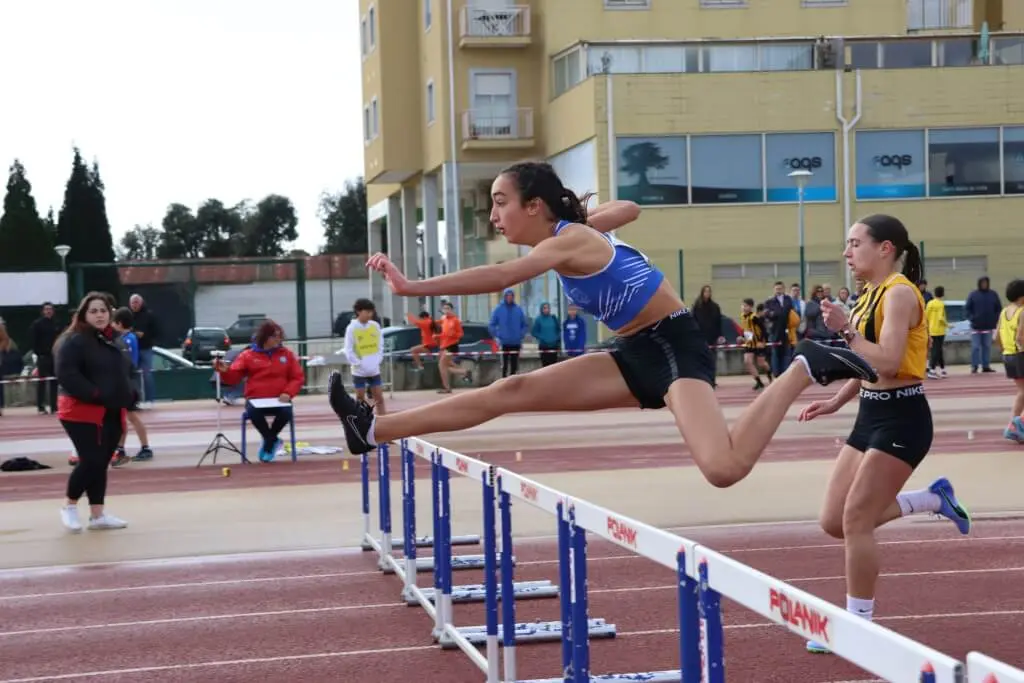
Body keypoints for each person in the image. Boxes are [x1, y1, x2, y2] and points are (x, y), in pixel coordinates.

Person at [327, 160, 878, 489]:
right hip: (634, 349)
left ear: (535, 205)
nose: (494, 216)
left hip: (675, 344)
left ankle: (802, 364)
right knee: (510, 389)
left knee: (723, 467)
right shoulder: (572, 232)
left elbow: (501, 275)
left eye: (501, 203)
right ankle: (370, 429)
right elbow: (632, 207)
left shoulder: (567, 239)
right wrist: (592, 219)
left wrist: (411, 287)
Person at [797, 215, 971, 655]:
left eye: (855, 243)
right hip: (870, 416)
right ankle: (931, 499)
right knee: (833, 521)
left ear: (885, 248)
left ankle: (858, 626)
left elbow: (890, 362)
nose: (846, 253)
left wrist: (846, 330)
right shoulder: (868, 294)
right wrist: (837, 401)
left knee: (856, 519)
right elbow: (867, 364)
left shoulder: (898, 294)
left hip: (903, 419)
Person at [54, 292, 133, 532]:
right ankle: (69, 506)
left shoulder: (113, 340)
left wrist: (130, 394)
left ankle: (97, 514)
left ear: (110, 313)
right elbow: (68, 374)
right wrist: (95, 394)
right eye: (93, 311)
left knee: (101, 462)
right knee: (91, 460)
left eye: (103, 310)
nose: (99, 315)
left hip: (111, 410)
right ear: (84, 315)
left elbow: (123, 372)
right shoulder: (73, 341)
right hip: (81, 411)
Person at [214, 319, 304, 462]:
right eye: (275, 336)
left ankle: (269, 442)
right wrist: (225, 371)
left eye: (280, 336)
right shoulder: (247, 355)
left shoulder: (286, 354)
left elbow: (297, 377)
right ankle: (272, 440)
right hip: (256, 400)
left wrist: (288, 392)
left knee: (286, 412)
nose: (279, 339)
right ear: (265, 337)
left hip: (280, 399)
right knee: (252, 412)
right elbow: (233, 378)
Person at [111, 307, 154, 463]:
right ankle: (121, 448)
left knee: (131, 416)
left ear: (120, 323)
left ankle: (145, 447)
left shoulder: (127, 339)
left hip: (128, 382)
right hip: (127, 381)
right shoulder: (128, 338)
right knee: (124, 416)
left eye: (114, 323)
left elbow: (127, 362)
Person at [344, 298, 386, 414]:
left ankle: (384, 421)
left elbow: (380, 345)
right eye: (367, 312)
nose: (370, 314)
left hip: (374, 369)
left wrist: (378, 360)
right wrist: (357, 363)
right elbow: (348, 349)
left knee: (379, 398)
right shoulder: (351, 328)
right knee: (360, 399)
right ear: (358, 311)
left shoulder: (375, 326)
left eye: (371, 312)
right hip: (359, 371)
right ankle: (361, 422)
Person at [996, 278, 1024, 443]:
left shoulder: (1004, 312)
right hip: (1020, 354)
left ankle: (1014, 425)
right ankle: (1016, 425)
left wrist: (1005, 351)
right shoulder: (1022, 312)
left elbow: (996, 336)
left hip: (1008, 355)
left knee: (1022, 392)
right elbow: (1021, 337)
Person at [488, 289, 528, 377]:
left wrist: (520, 335)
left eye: (511, 296)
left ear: (513, 297)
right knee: (504, 365)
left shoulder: (518, 310)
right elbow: (491, 325)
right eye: (507, 296)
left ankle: (513, 383)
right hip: (504, 342)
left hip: (516, 342)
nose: (509, 298)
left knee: (514, 365)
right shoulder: (498, 309)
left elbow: (525, 325)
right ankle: (504, 381)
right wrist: (498, 335)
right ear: (505, 297)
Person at [29, 302, 60, 414]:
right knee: (41, 382)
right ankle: (41, 407)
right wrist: (38, 353)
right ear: (42, 311)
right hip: (42, 357)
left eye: (50, 309)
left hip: (54, 357)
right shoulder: (37, 324)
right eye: (46, 309)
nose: (48, 311)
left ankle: (54, 407)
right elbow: (33, 340)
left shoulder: (56, 324)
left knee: (54, 382)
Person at [436, 301, 472, 393]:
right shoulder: (443, 319)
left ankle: (447, 388)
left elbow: (460, 334)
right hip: (444, 345)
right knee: (446, 366)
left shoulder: (455, 320)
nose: (446, 310)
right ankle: (464, 372)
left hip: (452, 345)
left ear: (452, 310)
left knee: (441, 365)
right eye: (445, 309)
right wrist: (438, 337)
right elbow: (444, 334)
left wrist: (454, 334)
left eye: (448, 308)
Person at [925, 285, 948, 379]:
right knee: (936, 350)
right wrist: (948, 325)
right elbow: (940, 318)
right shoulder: (940, 304)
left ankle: (942, 369)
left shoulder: (930, 303)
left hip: (931, 330)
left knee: (938, 350)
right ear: (942, 293)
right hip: (939, 331)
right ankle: (932, 369)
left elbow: (926, 316)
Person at [531, 302, 561, 367]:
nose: (546, 309)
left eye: (548, 308)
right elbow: (534, 332)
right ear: (541, 309)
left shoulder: (553, 318)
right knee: (545, 367)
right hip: (544, 346)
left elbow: (558, 330)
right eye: (544, 308)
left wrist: (557, 338)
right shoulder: (538, 319)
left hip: (553, 346)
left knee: (554, 366)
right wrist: (542, 337)